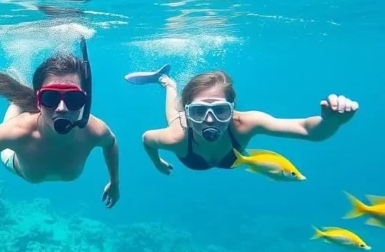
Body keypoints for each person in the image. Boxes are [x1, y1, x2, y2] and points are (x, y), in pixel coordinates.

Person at [0, 38, 120, 208]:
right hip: (12, 157)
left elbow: (111, 143)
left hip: (31, 162)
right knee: (17, 105)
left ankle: (25, 91)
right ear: (39, 101)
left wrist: (114, 182)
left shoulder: (94, 130)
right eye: (50, 97)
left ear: (85, 101)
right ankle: (8, 85)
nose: (62, 108)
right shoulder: (19, 130)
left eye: (73, 98)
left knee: (24, 101)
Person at [125, 66, 358, 174]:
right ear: (189, 114)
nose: (209, 120)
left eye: (220, 110)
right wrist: (158, 163)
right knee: (173, 115)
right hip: (183, 130)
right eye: (198, 112)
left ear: (233, 110)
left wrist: (331, 121)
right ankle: (167, 83)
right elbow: (146, 139)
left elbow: (307, 130)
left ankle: (175, 88)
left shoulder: (246, 123)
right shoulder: (177, 136)